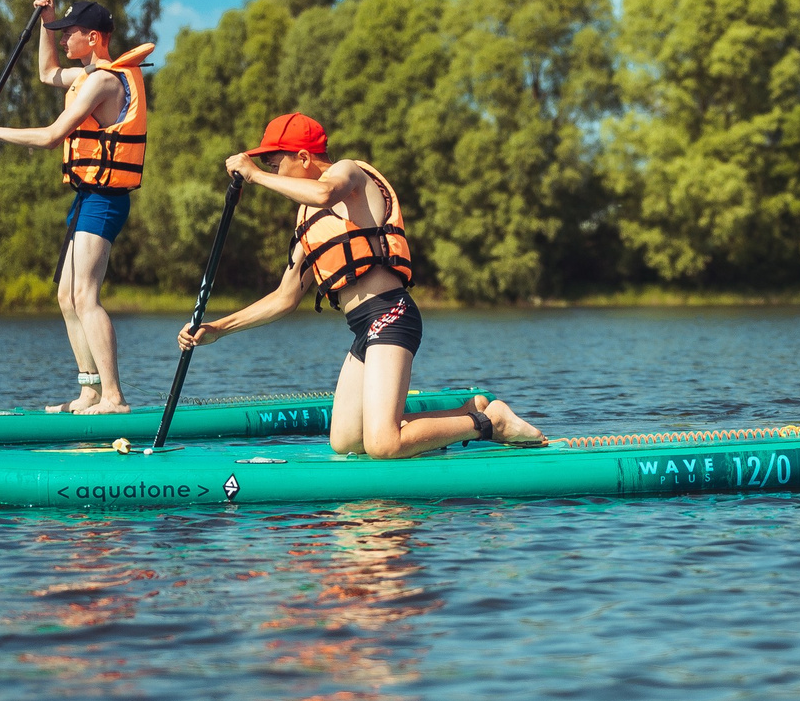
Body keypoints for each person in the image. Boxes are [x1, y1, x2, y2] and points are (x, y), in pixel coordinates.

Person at [175, 113, 543, 456]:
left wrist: (254, 176)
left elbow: (323, 193)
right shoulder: (309, 220)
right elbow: (284, 298)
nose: (270, 167)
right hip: (364, 329)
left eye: (275, 161)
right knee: (346, 441)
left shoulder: (347, 174)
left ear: (303, 157)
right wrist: (217, 329)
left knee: (383, 444)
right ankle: (468, 411)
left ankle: (490, 422)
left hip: (392, 313)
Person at [0, 0, 151, 414]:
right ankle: (89, 390)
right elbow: (48, 72)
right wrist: (45, 18)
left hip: (105, 199)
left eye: (69, 33)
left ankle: (114, 397)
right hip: (88, 196)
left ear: (93, 38)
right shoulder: (83, 75)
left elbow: (51, 137)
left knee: (85, 295)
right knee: (67, 297)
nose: (64, 39)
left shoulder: (104, 80)